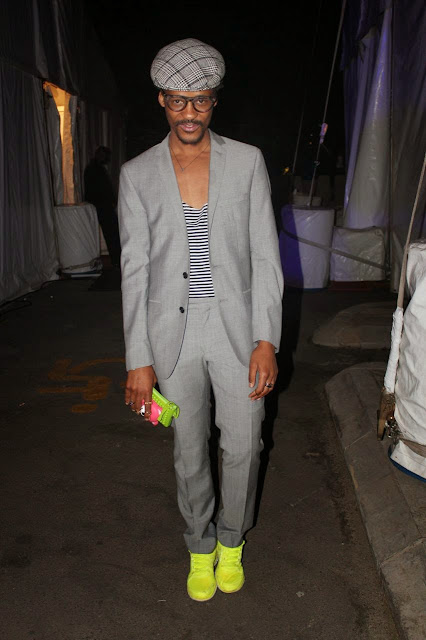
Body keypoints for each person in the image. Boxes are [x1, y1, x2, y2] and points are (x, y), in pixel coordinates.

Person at [118, 38, 284, 602]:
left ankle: (232, 541)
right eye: (178, 101)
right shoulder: (137, 174)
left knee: (245, 445)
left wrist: (266, 339)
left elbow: (265, 255)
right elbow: (135, 271)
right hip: (173, 334)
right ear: (161, 101)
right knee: (189, 448)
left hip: (237, 328)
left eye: (201, 100)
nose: (189, 113)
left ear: (215, 100)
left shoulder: (247, 161)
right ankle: (200, 544)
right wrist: (138, 360)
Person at [84, 146, 121, 268]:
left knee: (112, 233)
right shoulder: (95, 170)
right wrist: (109, 201)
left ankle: (116, 258)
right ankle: (116, 258)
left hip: (102, 205)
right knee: (112, 233)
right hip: (102, 205)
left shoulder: (96, 169)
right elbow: (101, 189)